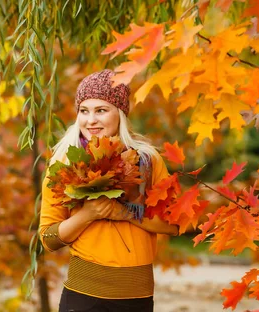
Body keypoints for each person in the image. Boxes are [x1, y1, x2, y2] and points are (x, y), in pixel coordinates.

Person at [39, 69, 179, 312]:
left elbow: (174, 224)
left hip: (137, 296)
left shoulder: (146, 160)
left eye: (101, 110)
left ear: (120, 113)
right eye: (84, 111)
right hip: (83, 296)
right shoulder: (63, 162)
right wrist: (88, 214)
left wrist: (125, 212)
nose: (90, 120)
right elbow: (48, 239)